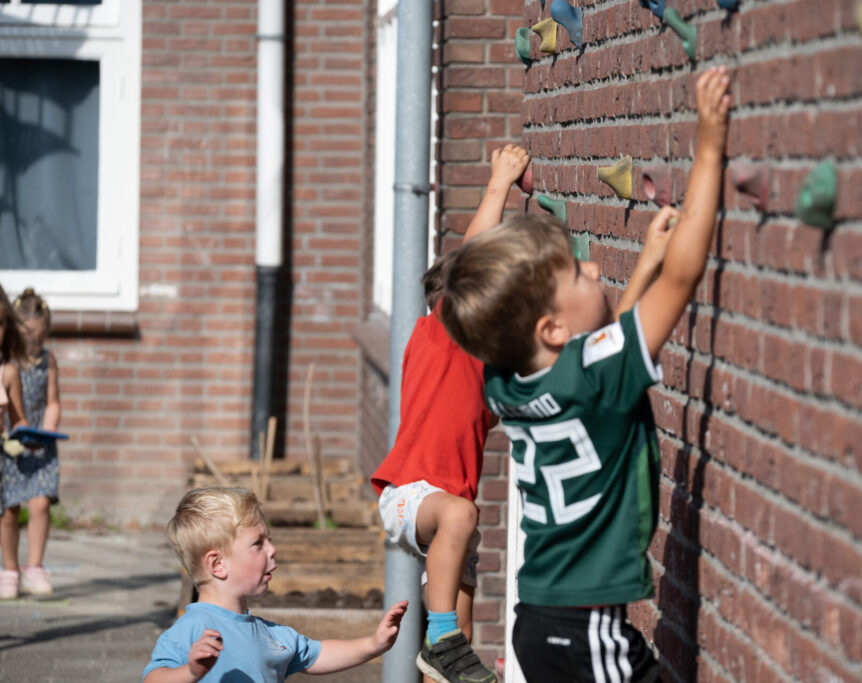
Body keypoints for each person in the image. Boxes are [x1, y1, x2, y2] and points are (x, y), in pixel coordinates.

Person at [438, 67, 731, 682]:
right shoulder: (592, 375)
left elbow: (604, 367)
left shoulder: (507, 381)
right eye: (577, 274)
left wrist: (644, 263)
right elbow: (685, 277)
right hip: (585, 631)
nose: (595, 270)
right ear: (550, 331)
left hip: (540, 619)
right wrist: (710, 140)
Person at [371, 143, 529, 683]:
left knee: (455, 652)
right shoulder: (441, 334)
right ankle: (439, 638)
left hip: (448, 513)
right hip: (411, 494)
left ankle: (443, 649)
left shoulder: (486, 371)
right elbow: (473, 260)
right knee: (462, 518)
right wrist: (500, 182)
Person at [143, 487, 408, 682]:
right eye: (258, 543)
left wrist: (374, 644)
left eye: (269, 540)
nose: (272, 549)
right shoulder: (193, 629)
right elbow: (154, 679)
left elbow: (318, 653)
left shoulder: (271, 636)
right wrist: (190, 672)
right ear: (217, 564)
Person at [0, 288, 61, 597]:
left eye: (40, 335)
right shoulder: (9, 363)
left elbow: (53, 401)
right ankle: (9, 568)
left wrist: (47, 429)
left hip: (39, 444)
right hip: (10, 444)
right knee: (8, 509)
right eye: (29, 335)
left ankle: (34, 566)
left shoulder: (47, 361)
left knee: (39, 503)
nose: (34, 342)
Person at [0, 283, 29, 600]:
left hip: (2, 456)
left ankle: (10, 569)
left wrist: (25, 438)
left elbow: (19, 418)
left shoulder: (8, 372)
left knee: (9, 514)